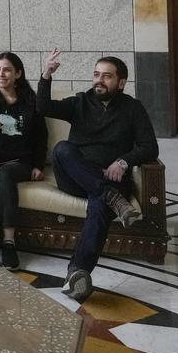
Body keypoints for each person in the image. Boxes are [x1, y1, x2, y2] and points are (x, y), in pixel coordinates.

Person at [38, 48, 159, 301]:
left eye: (106, 76)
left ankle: (77, 273)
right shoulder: (80, 102)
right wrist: (47, 74)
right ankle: (110, 196)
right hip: (74, 177)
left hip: (112, 179)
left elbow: (150, 146)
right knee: (62, 149)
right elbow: (43, 107)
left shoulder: (133, 108)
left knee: (99, 206)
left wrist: (124, 161)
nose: (99, 81)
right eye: (96, 75)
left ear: (121, 82)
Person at [0, 52, 47, 268]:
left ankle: (8, 242)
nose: (0, 74)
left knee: (5, 175)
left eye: (6, 70)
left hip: (18, 160)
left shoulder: (30, 101)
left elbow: (41, 137)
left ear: (18, 74)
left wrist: (38, 165)